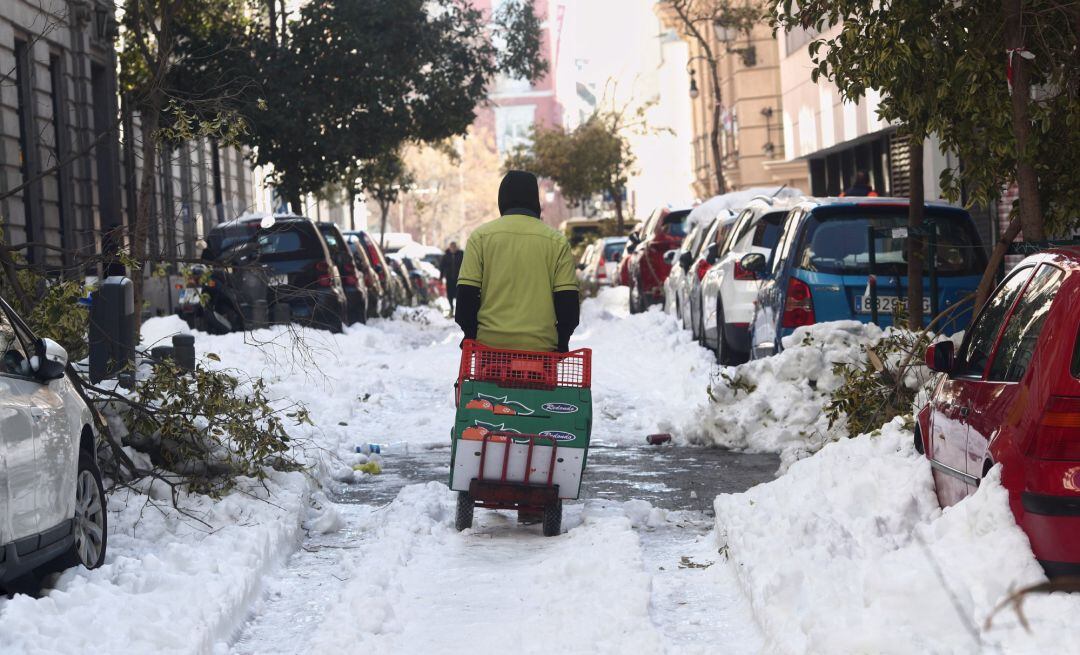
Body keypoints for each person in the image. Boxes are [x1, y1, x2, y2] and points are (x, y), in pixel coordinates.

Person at [454, 170, 580, 353]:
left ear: (502, 199)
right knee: (539, 382)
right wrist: (561, 341)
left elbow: (466, 297)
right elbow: (568, 303)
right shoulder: (557, 242)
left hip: (490, 349)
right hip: (541, 349)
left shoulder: (480, 238)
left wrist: (471, 334)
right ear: (534, 200)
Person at [439, 241, 464, 314]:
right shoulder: (446, 256)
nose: (453, 249)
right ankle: (451, 308)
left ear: (456, 247)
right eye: (451, 247)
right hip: (449, 278)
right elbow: (442, 267)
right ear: (449, 248)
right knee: (450, 294)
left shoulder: (461, 255)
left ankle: (459, 309)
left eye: (454, 247)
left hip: (459, 278)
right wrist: (441, 278)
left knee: (459, 295)